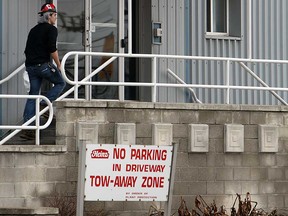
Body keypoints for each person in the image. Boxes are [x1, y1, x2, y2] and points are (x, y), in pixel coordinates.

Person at [20, 3, 66, 140]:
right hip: (43, 66)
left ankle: (28, 129)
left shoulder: (34, 30)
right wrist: (59, 64)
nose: (56, 18)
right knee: (60, 83)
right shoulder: (51, 29)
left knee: (33, 95)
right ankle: (44, 104)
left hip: (30, 67)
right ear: (49, 16)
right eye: (55, 15)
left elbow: (27, 49)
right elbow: (52, 48)